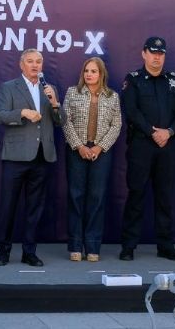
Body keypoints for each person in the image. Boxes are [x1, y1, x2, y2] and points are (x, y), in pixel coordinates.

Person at [119, 36, 175, 262]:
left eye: (161, 53)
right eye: (153, 52)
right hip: (141, 145)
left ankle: (166, 246)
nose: (157, 57)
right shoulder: (134, 79)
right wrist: (152, 132)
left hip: (167, 146)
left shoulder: (174, 81)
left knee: (165, 198)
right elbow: (131, 111)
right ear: (144, 53)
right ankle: (129, 246)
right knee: (136, 195)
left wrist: (168, 132)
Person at [0, 49, 64, 267]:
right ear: (21, 65)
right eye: (31, 61)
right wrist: (21, 113)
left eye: (39, 62)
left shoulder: (50, 89)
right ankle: (3, 252)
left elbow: (60, 121)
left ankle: (29, 252)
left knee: (35, 208)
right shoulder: (9, 87)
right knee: (8, 207)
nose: (35, 65)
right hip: (15, 156)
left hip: (42, 156)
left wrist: (54, 103)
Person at [61, 57, 122, 262]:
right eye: (86, 70)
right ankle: (76, 245)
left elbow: (116, 125)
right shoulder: (72, 92)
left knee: (97, 198)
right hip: (76, 150)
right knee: (76, 196)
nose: (89, 74)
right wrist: (79, 146)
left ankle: (93, 246)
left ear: (101, 74)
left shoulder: (112, 96)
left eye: (94, 71)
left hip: (101, 152)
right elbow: (65, 121)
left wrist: (99, 147)